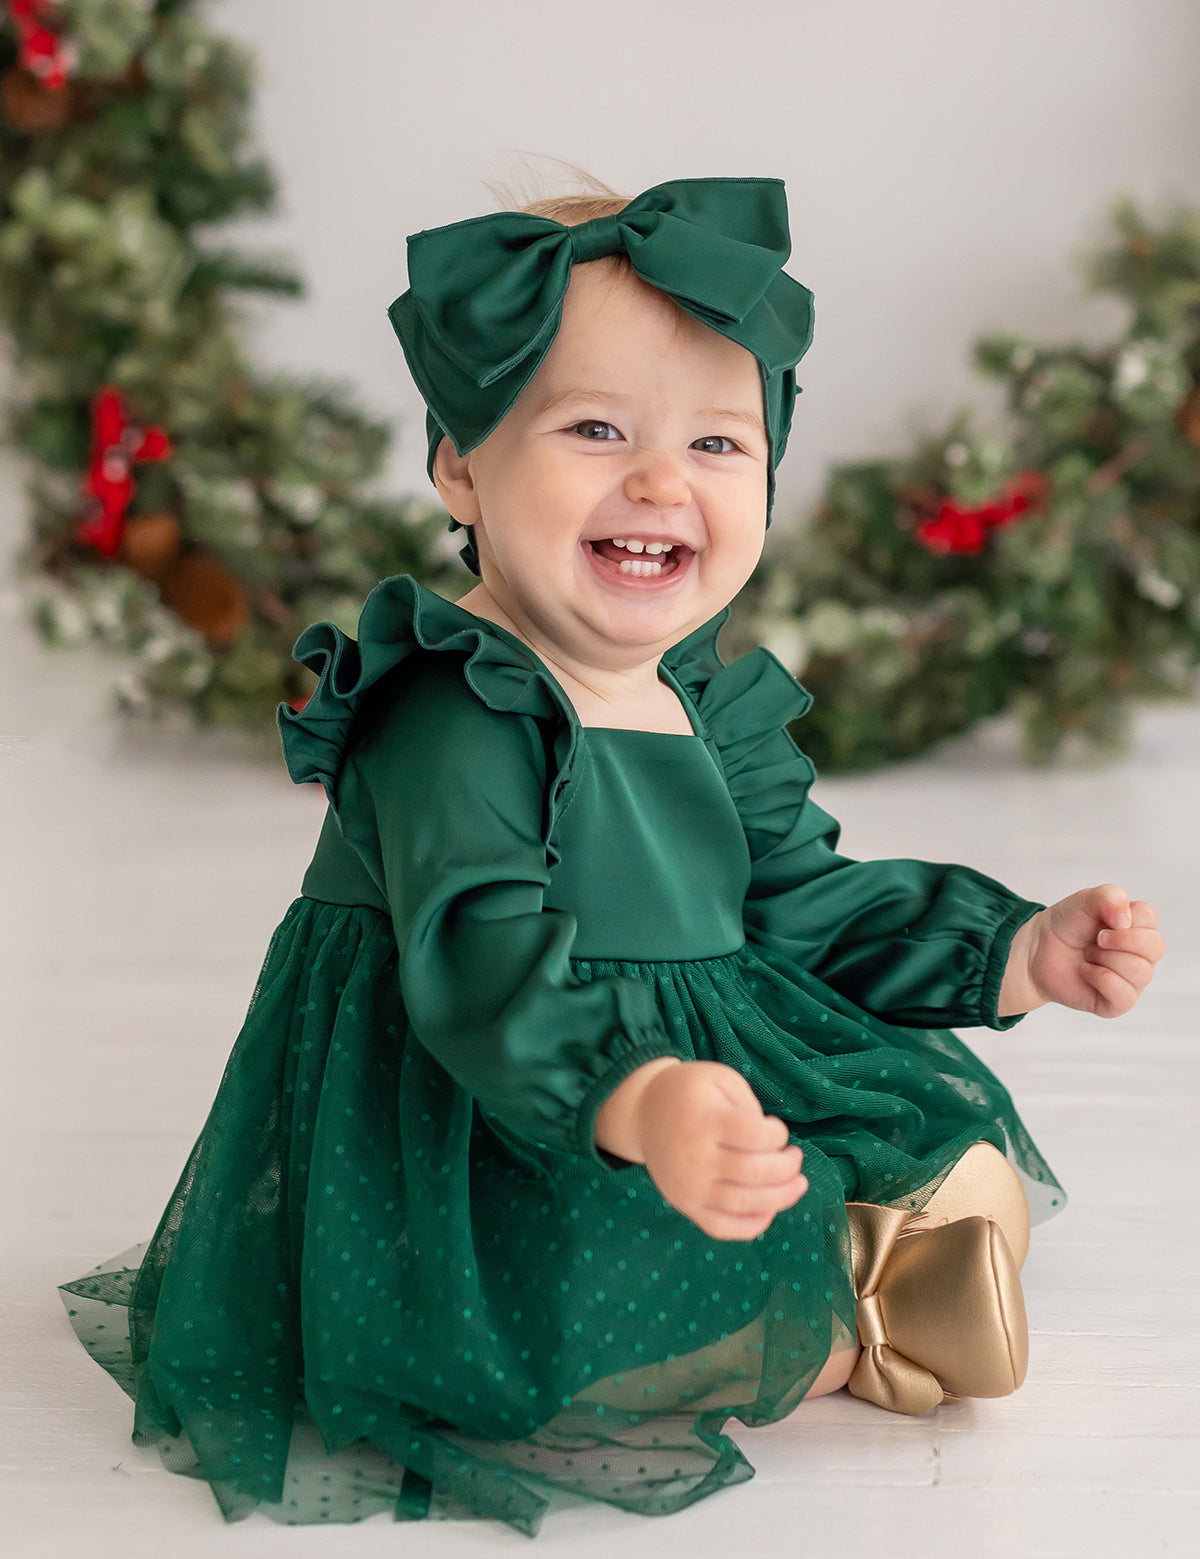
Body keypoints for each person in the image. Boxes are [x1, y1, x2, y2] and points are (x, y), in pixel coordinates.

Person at [59, 173, 1165, 1538]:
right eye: (595, 428)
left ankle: (868, 1245)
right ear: (462, 463)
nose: (661, 481)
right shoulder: (457, 703)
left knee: (858, 1124)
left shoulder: (705, 695)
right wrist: (633, 1102)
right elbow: (477, 969)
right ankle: (865, 1317)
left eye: (718, 444)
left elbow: (805, 909)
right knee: (574, 1297)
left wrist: (1014, 947)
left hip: (692, 1063)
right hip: (493, 1103)